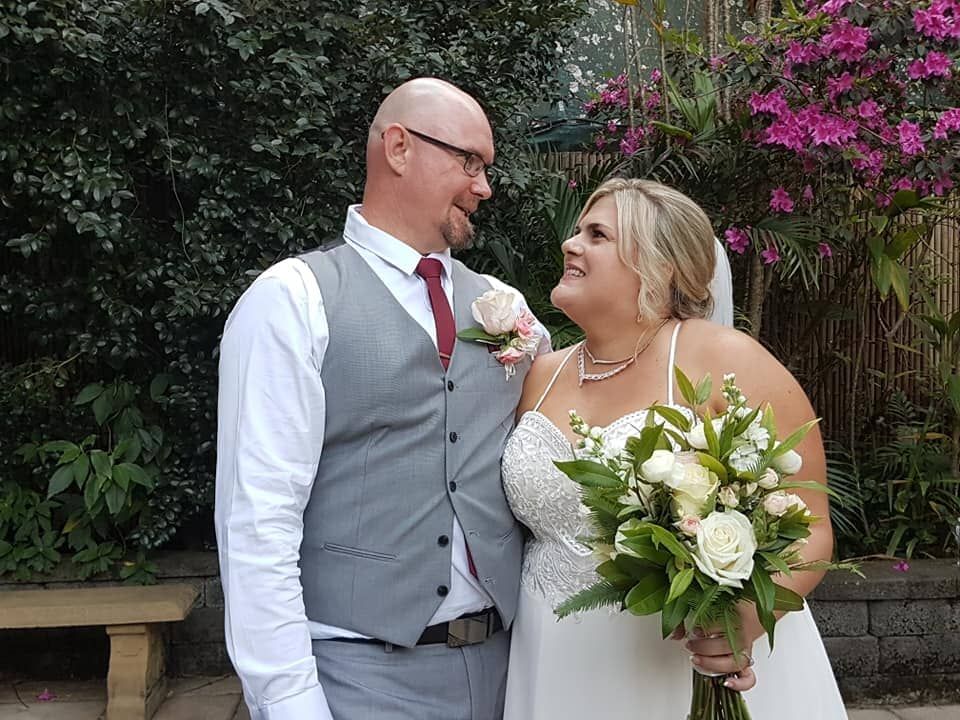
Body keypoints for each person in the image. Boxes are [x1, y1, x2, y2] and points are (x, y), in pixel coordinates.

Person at [214, 77, 553, 720]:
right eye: (470, 161)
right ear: (399, 147)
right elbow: (257, 520)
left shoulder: (508, 307)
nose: (485, 187)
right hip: (357, 677)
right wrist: (288, 701)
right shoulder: (293, 299)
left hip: (509, 673)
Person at [501, 178, 847, 719]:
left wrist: (745, 621)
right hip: (553, 654)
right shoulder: (541, 373)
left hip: (680, 658)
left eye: (597, 235)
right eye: (577, 231)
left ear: (659, 266)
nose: (571, 244)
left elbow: (813, 523)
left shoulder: (723, 357)